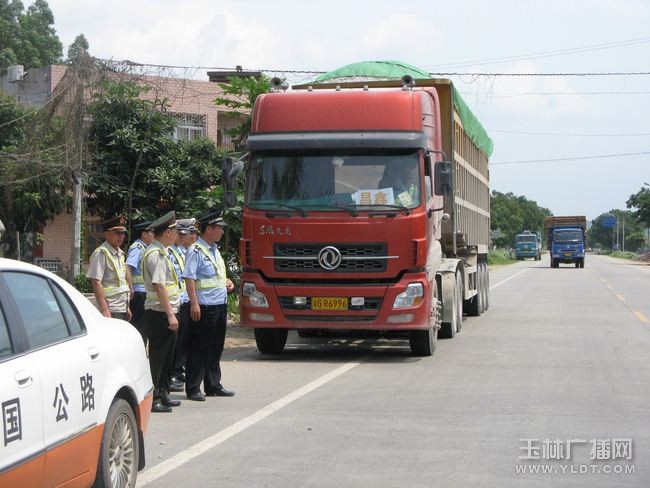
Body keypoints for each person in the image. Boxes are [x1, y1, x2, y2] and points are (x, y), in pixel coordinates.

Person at [182, 211, 235, 401]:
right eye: (219, 228)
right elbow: (190, 278)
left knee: (215, 346)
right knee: (199, 347)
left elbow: (214, 276)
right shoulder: (195, 250)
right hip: (204, 306)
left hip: (219, 304)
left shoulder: (214, 249)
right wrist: (194, 303)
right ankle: (193, 387)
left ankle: (213, 384)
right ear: (209, 229)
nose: (222, 231)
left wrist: (227, 282)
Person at [141, 211, 181, 413]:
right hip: (160, 312)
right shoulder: (155, 254)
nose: (177, 235)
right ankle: (155, 396)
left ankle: (164, 393)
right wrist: (171, 314)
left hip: (166, 310)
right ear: (167, 232)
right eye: (175, 231)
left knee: (167, 357)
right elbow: (159, 286)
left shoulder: (163, 251)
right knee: (158, 358)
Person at [167, 218, 196, 391]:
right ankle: (173, 373)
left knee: (184, 339)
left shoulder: (184, 252)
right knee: (177, 341)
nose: (193, 237)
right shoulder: (170, 252)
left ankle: (178, 370)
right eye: (189, 234)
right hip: (176, 302)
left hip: (185, 300)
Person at [87, 216, 131, 321]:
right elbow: (96, 282)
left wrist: (127, 307)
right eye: (117, 233)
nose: (120, 236)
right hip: (110, 308)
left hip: (122, 307)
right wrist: (104, 309)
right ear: (106, 234)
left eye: (123, 233)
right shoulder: (101, 253)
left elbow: (120, 283)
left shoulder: (120, 254)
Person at [126, 220, 154, 338]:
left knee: (145, 326)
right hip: (138, 293)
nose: (154, 235)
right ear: (144, 234)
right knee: (139, 327)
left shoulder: (145, 248)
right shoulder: (137, 247)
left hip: (144, 292)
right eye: (151, 232)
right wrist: (131, 288)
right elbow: (128, 267)